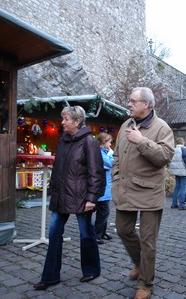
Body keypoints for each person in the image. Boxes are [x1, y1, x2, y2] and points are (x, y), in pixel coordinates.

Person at [111, 87, 174, 299]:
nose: (128, 104)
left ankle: (146, 283)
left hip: (149, 193)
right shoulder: (125, 125)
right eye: (129, 100)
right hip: (125, 189)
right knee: (123, 229)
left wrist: (142, 141)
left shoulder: (162, 128)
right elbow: (117, 155)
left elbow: (164, 157)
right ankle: (140, 263)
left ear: (146, 104)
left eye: (132, 101)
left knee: (148, 241)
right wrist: (116, 177)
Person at [34, 106, 105, 290]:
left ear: (77, 121)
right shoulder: (63, 140)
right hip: (60, 197)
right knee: (54, 235)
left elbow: (96, 173)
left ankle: (91, 270)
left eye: (66, 119)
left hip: (82, 198)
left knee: (86, 234)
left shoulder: (90, 142)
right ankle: (50, 276)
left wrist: (92, 198)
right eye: (63, 118)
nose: (62, 122)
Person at [95, 132, 114, 244]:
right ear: (103, 142)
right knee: (103, 212)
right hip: (102, 187)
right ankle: (97, 235)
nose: (110, 144)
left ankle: (102, 232)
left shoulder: (105, 152)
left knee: (104, 212)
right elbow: (110, 164)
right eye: (109, 142)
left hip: (106, 187)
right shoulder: (100, 153)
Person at [169, 137, 186, 210]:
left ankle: (174, 204)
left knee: (177, 187)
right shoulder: (183, 149)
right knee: (184, 188)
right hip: (183, 172)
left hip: (176, 172)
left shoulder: (173, 150)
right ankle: (182, 204)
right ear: (183, 142)